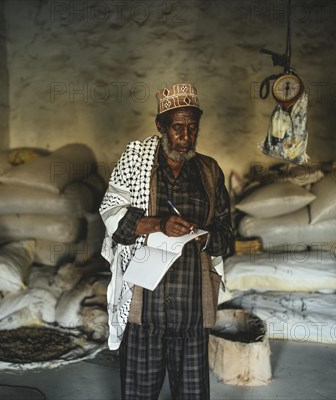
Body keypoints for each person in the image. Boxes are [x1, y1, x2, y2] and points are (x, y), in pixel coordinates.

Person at [99, 83, 233, 399]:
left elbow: (226, 232)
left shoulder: (210, 172)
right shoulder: (137, 164)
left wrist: (205, 237)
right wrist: (159, 224)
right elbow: (113, 218)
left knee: (191, 394)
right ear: (160, 126)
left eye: (192, 128)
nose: (186, 136)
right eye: (177, 128)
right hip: (143, 309)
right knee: (138, 394)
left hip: (191, 310)